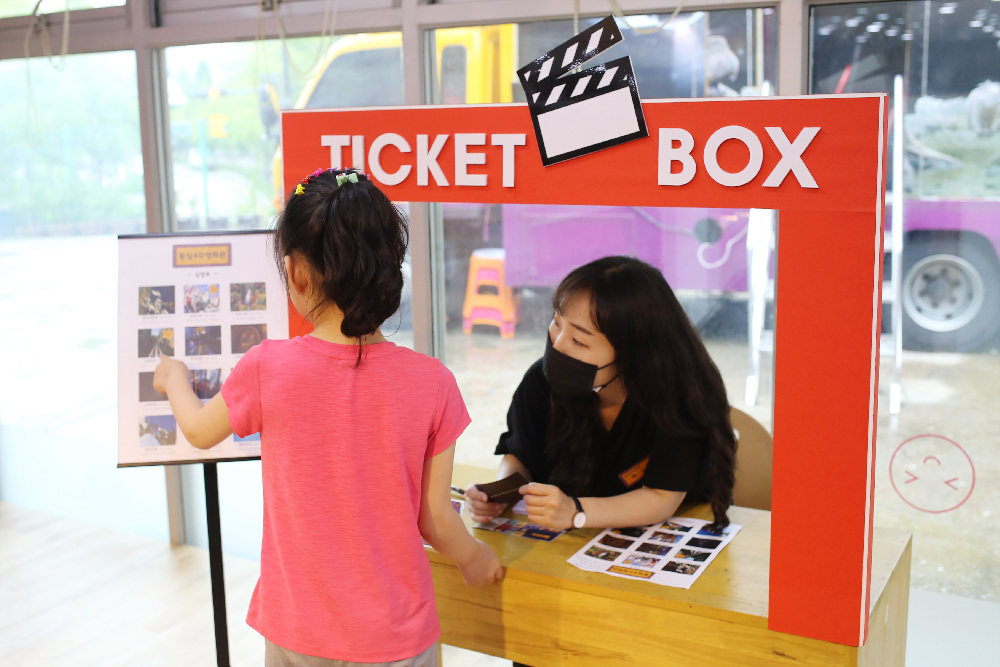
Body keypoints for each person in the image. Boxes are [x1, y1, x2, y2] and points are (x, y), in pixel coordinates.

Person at [153, 168, 503, 667]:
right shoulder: (434, 383)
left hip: (297, 631)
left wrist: (173, 379)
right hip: (395, 635)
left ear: (296, 272)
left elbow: (197, 431)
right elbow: (435, 519)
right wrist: (474, 558)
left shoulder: (266, 368)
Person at [466, 256, 737, 534]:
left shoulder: (679, 398)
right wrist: (498, 494)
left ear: (632, 352)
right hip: (575, 540)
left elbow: (661, 498)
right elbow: (521, 454)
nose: (558, 345)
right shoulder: (541, 381)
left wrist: (575, 513)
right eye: (557, 322)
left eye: (579, 340)